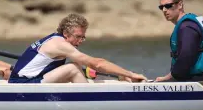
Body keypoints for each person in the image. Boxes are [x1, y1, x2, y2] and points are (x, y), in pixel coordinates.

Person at [8, 13, 148, 83]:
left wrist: (120, 75)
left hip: (27, 81)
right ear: (66, 34)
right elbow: (97, 63)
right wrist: (131, 74)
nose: (81, 41)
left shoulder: (58, 40)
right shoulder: (60, 45)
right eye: (78, 37)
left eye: (83, 37)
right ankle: (91, 107)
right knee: (73, 68)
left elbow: (88, 68)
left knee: (76, 67)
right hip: (22, 85)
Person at [155, 0, 203, 82]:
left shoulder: (187, 27)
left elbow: (186, 56)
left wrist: (169, 77)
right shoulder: (188, 22)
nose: (164, 10)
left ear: (180, 5)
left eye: (168, 6)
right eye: (161, 7)